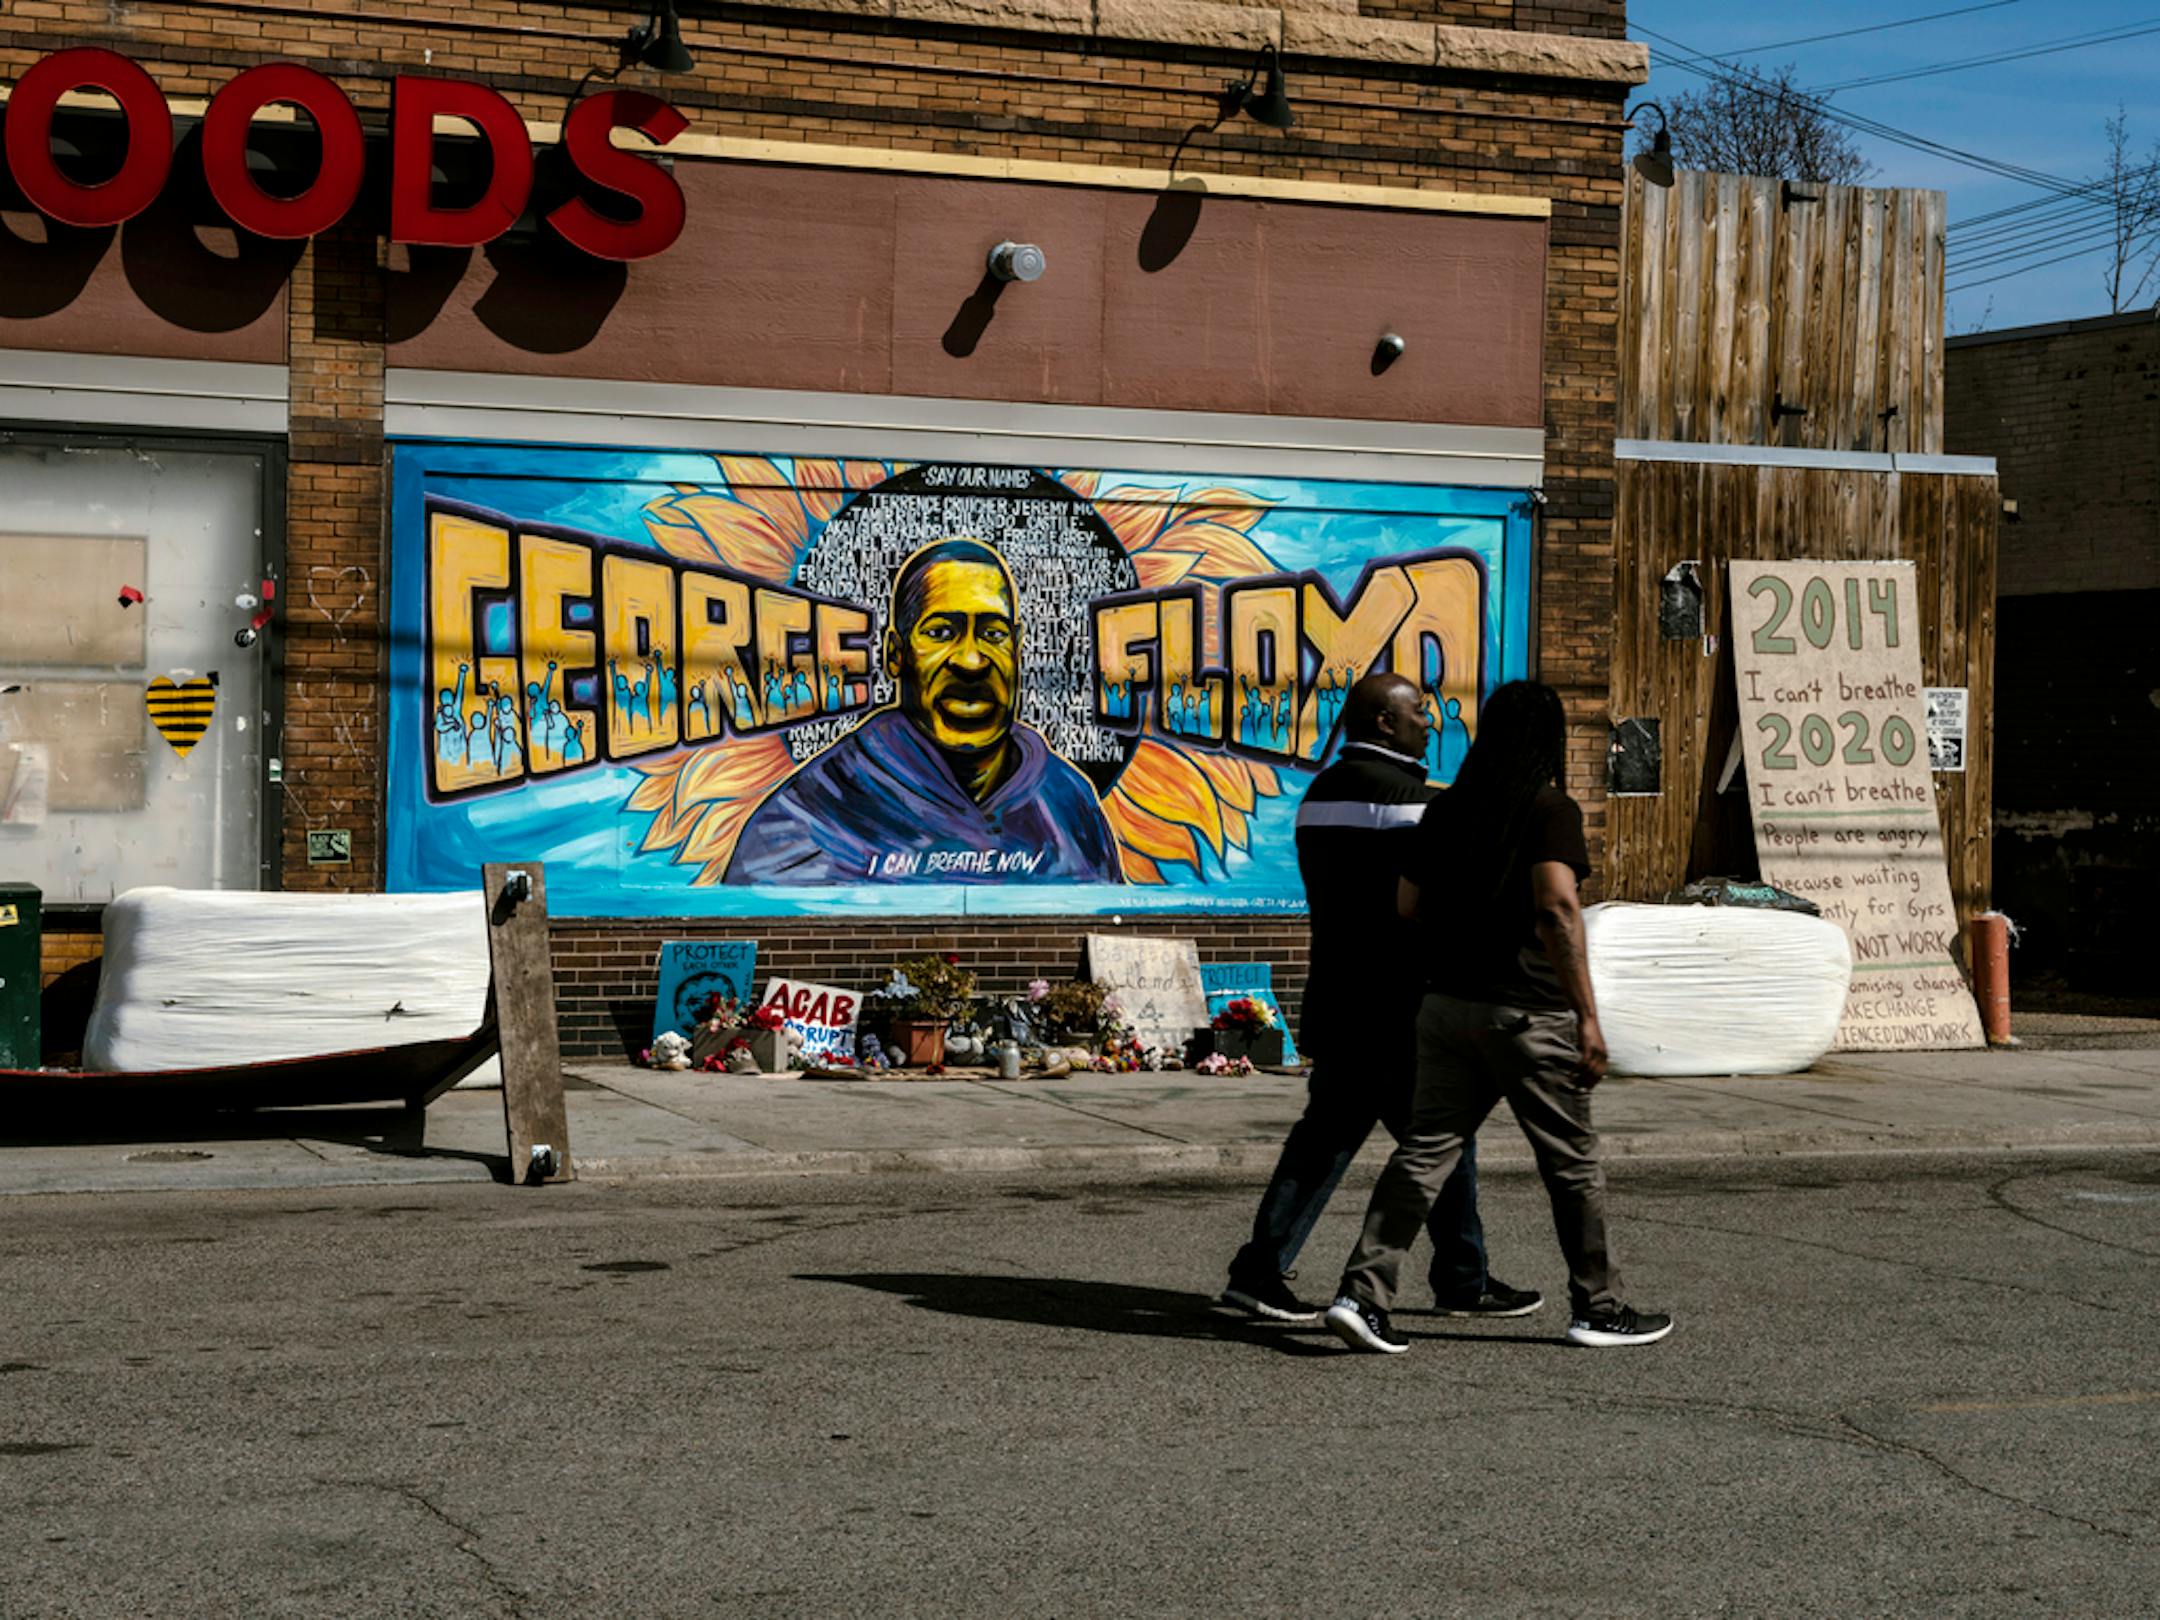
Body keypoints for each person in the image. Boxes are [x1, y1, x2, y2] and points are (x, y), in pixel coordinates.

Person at [1323, 680, 1673, 1353]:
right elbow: (1557, 908)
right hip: (1528, 1015)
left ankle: (1362, 1295)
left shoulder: (1448, 809)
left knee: (1424, 1151)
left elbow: (1406, 905)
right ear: (1550, 740)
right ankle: (1598, 1306)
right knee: (1571, 1164)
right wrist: (1587, 1016)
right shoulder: (1548, 810)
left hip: (1447, 1008)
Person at [1220, 673, 1541, 1325]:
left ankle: (1261, 1273)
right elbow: (1443, 899)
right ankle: (1456, 1281)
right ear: (1385, 724)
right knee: (1440, 1139)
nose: (1433, 722)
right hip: (1403, 1005)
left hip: (1338, 997)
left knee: (1328, 1141)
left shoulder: (1318, 796)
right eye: (1419, 712)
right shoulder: (1417, 805)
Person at [725, 537, 1123, 885]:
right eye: (940, 633)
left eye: (993, 634)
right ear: (896, 655)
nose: (971, 660)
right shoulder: (806, 817)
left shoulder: (1068, 801)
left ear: (1018, 652)